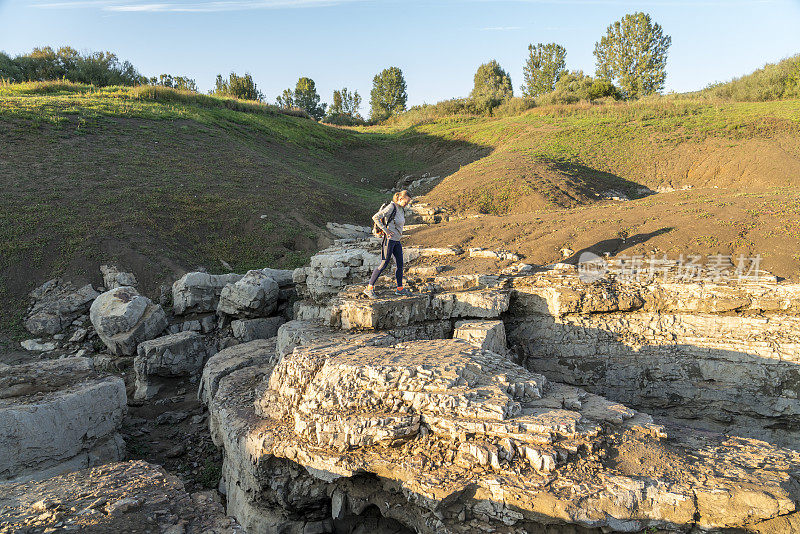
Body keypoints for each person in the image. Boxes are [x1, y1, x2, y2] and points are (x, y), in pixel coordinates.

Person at [364, 190, 412, 299]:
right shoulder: (392, 207)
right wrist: (385, 230)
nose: (407, 204)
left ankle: (400, 289)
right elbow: (375, 217)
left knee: (400, 265)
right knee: (384, 263)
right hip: (389, 240)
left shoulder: (401, 209)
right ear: (400, 199)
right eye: (406, 201)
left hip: (396, 240)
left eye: (408, 202)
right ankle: (369, 288)